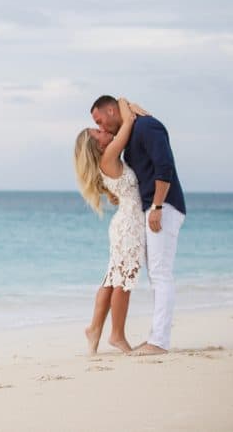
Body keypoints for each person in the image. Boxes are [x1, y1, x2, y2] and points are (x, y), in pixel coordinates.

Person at [90, 95, 186, 356]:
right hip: (148, 211)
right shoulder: (130, 132)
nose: (101, 126)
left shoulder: (146, 127)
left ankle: (159, 341)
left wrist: (156, 206)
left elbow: (164, 167)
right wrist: (127, 106)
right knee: (154, 275)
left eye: (100, 121)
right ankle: (155, 338)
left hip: (162, 207)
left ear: (111, 110)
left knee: (160, 274)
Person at [74, 98, 146, 354]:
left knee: (113, 278)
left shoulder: (107, 160)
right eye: (98, 132)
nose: (103, 131)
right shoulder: (109, 156)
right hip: (128, 224)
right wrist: (124, 101)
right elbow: (127, 122)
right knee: (123, 282)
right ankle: (116, 335)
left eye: (100, 127)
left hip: (125, 223)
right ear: (96, 145)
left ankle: (95, 329)